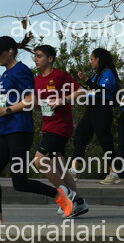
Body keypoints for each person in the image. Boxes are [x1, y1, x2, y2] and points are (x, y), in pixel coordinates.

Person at [0, 36, 75, 222]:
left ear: (10, 51)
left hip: (18, 131)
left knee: (19, 182)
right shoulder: (5, 74)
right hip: (3, 130)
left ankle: (60, 196)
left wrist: (7, 110)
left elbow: (30, 100)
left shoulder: (21, 71)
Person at [33, 44, 89, 218]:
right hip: (47, 126)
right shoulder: (36, 80)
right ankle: (79, 202)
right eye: (35, 56)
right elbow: (38, 105)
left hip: (60, 126)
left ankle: (65, 193)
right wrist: (35, 105)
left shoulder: (60, 76)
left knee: (39, 161)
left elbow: (82, 92)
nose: (35, 59)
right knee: (60, 167)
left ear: (50, 59)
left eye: (39, 56)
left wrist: (62, 100)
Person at [69, 48, 119, 179]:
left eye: (92, 59)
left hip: (102, 109)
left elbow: (101, 90)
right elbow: (89, 88)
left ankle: (113, 172)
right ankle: (73, 170)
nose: (90, 61)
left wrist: (86, 80)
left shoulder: (108, 73)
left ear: (98, 59)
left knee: (105, 140)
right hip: (91, 109)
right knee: (80, 135)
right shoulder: (96, 74)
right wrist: (80, 81)